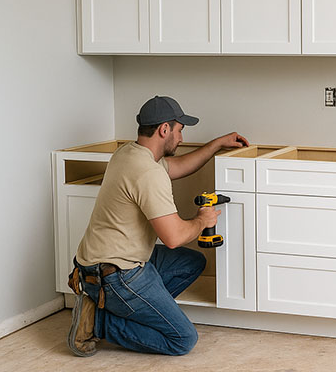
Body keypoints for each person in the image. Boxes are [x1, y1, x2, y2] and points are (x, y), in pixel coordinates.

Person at [67, 95, 249, 357]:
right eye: (180, 130)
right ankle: (98, 321)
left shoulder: (128, 154)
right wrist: (202, 221)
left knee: (192, 263)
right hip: (117, 275)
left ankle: (128, 310)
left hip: (96, 266)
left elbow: (179, 166)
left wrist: (217, 144)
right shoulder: (148, 173)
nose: (182, 139)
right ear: (165, 129)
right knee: (183, 339)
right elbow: (174, 237)